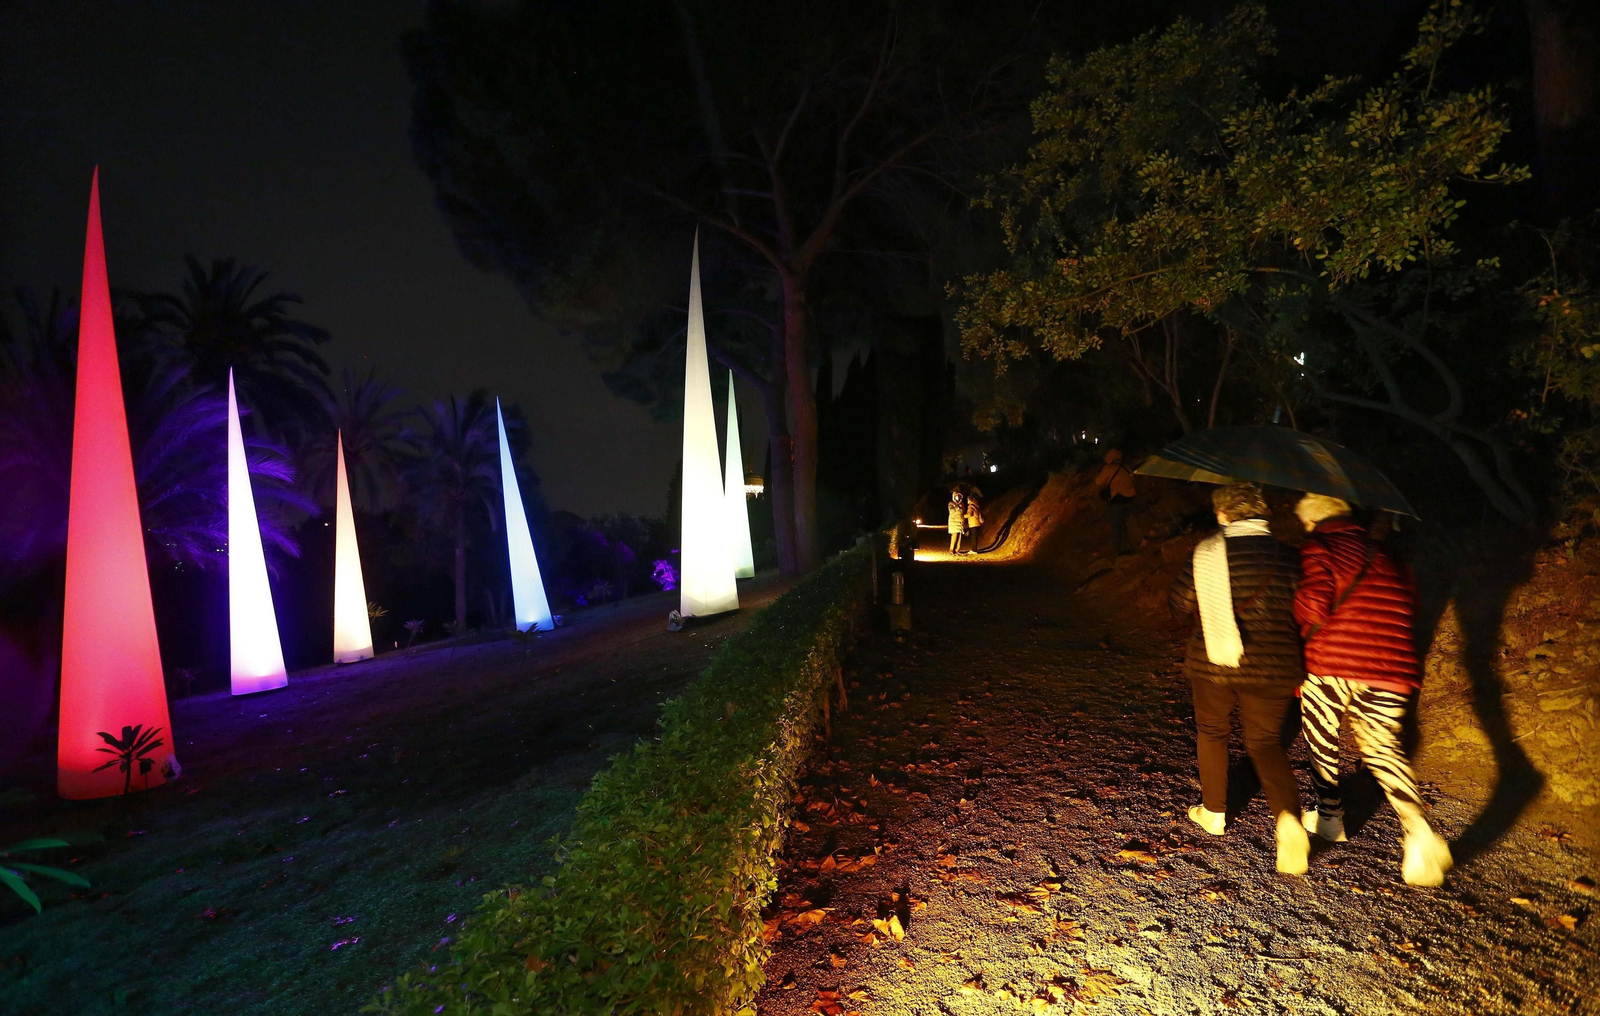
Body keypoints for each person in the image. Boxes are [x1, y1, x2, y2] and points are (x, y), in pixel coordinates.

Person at [1293, 493, 1453, 888]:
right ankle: (1418, 832)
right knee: (1381, 746)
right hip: (1393, 665)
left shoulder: (1319, 547)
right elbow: (1409, 606)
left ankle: (1330, 818)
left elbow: (1312, 606)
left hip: (1333, 661)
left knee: (1320, 736)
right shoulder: (1388, 554)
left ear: (1314, 519)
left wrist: (1293, 608)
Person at [1169, 483, 1310, 875]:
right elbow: (1308, 611)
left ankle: (1214, 812)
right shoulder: (1291, 558)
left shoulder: (1206, 553)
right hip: (1276, 665)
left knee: (1212, 731)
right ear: (1263, 514)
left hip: (1213, 662)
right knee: (1265, 742)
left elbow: (1179, 605)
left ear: (1222, 515)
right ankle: (1288, 819)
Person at [1094, 449, 1137, 556]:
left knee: (1116, 526)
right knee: (1127, 524)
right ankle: (1130, 547)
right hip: (1130, 499)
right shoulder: (1127, 467)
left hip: (1117, 500)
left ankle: (1117, 551)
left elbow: (1098, 481)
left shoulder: (1109, 468)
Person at [946, 490, 967, 555]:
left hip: (960, 522)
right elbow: (951, 511)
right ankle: (951, 550)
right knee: (954, 536)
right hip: (954, 522)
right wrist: (958, 508)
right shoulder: (951, 503)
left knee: (959, 536)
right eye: (956, 496)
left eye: (959, 496)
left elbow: (963, 511)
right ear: (954, 497)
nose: (958, 497)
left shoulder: (962, 504)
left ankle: (957, 550)